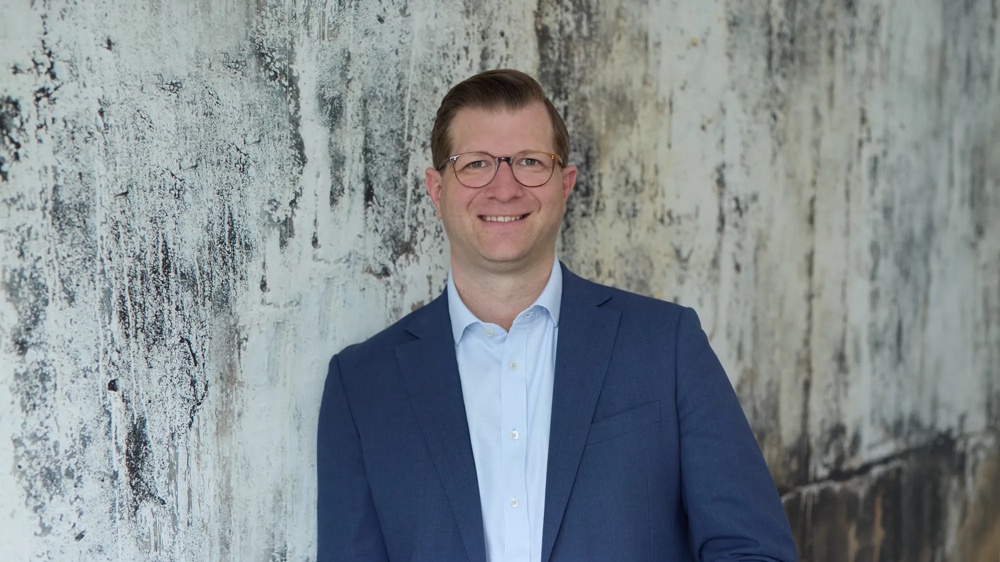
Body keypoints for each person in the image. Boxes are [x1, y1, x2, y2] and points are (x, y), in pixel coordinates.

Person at [316, 69, 798, 562]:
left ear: (565, 184)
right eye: (477, 164)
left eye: (529, 162)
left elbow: (753, 549)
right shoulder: (361, 388)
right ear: (436, 189)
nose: (504, 188)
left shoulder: (666, 346)